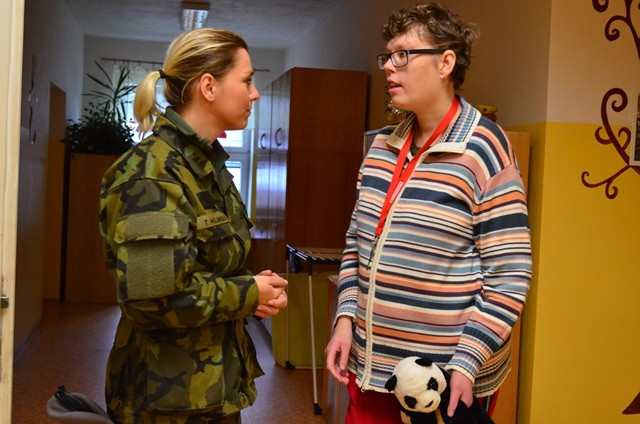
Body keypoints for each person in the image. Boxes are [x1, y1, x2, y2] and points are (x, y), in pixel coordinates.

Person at [325, 3, 532, 423]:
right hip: (371, 368)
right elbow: (355, 246)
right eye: (388, 56)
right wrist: (344, 319)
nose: (389, 66)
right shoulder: (381, 148)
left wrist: (468, 362)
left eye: (403, 54)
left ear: (445, 63)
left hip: (442, 381)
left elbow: (510, 275)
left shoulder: (485, 149)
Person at [99, 28, 288, 424]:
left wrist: (253, 292)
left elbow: (206, 267)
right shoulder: (153, 174)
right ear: (209, 87)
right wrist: (247, 293)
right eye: (247, 80)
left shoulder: (204, 165)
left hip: (209, 394)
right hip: (164, 405)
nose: (255, 94)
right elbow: (152, 301)